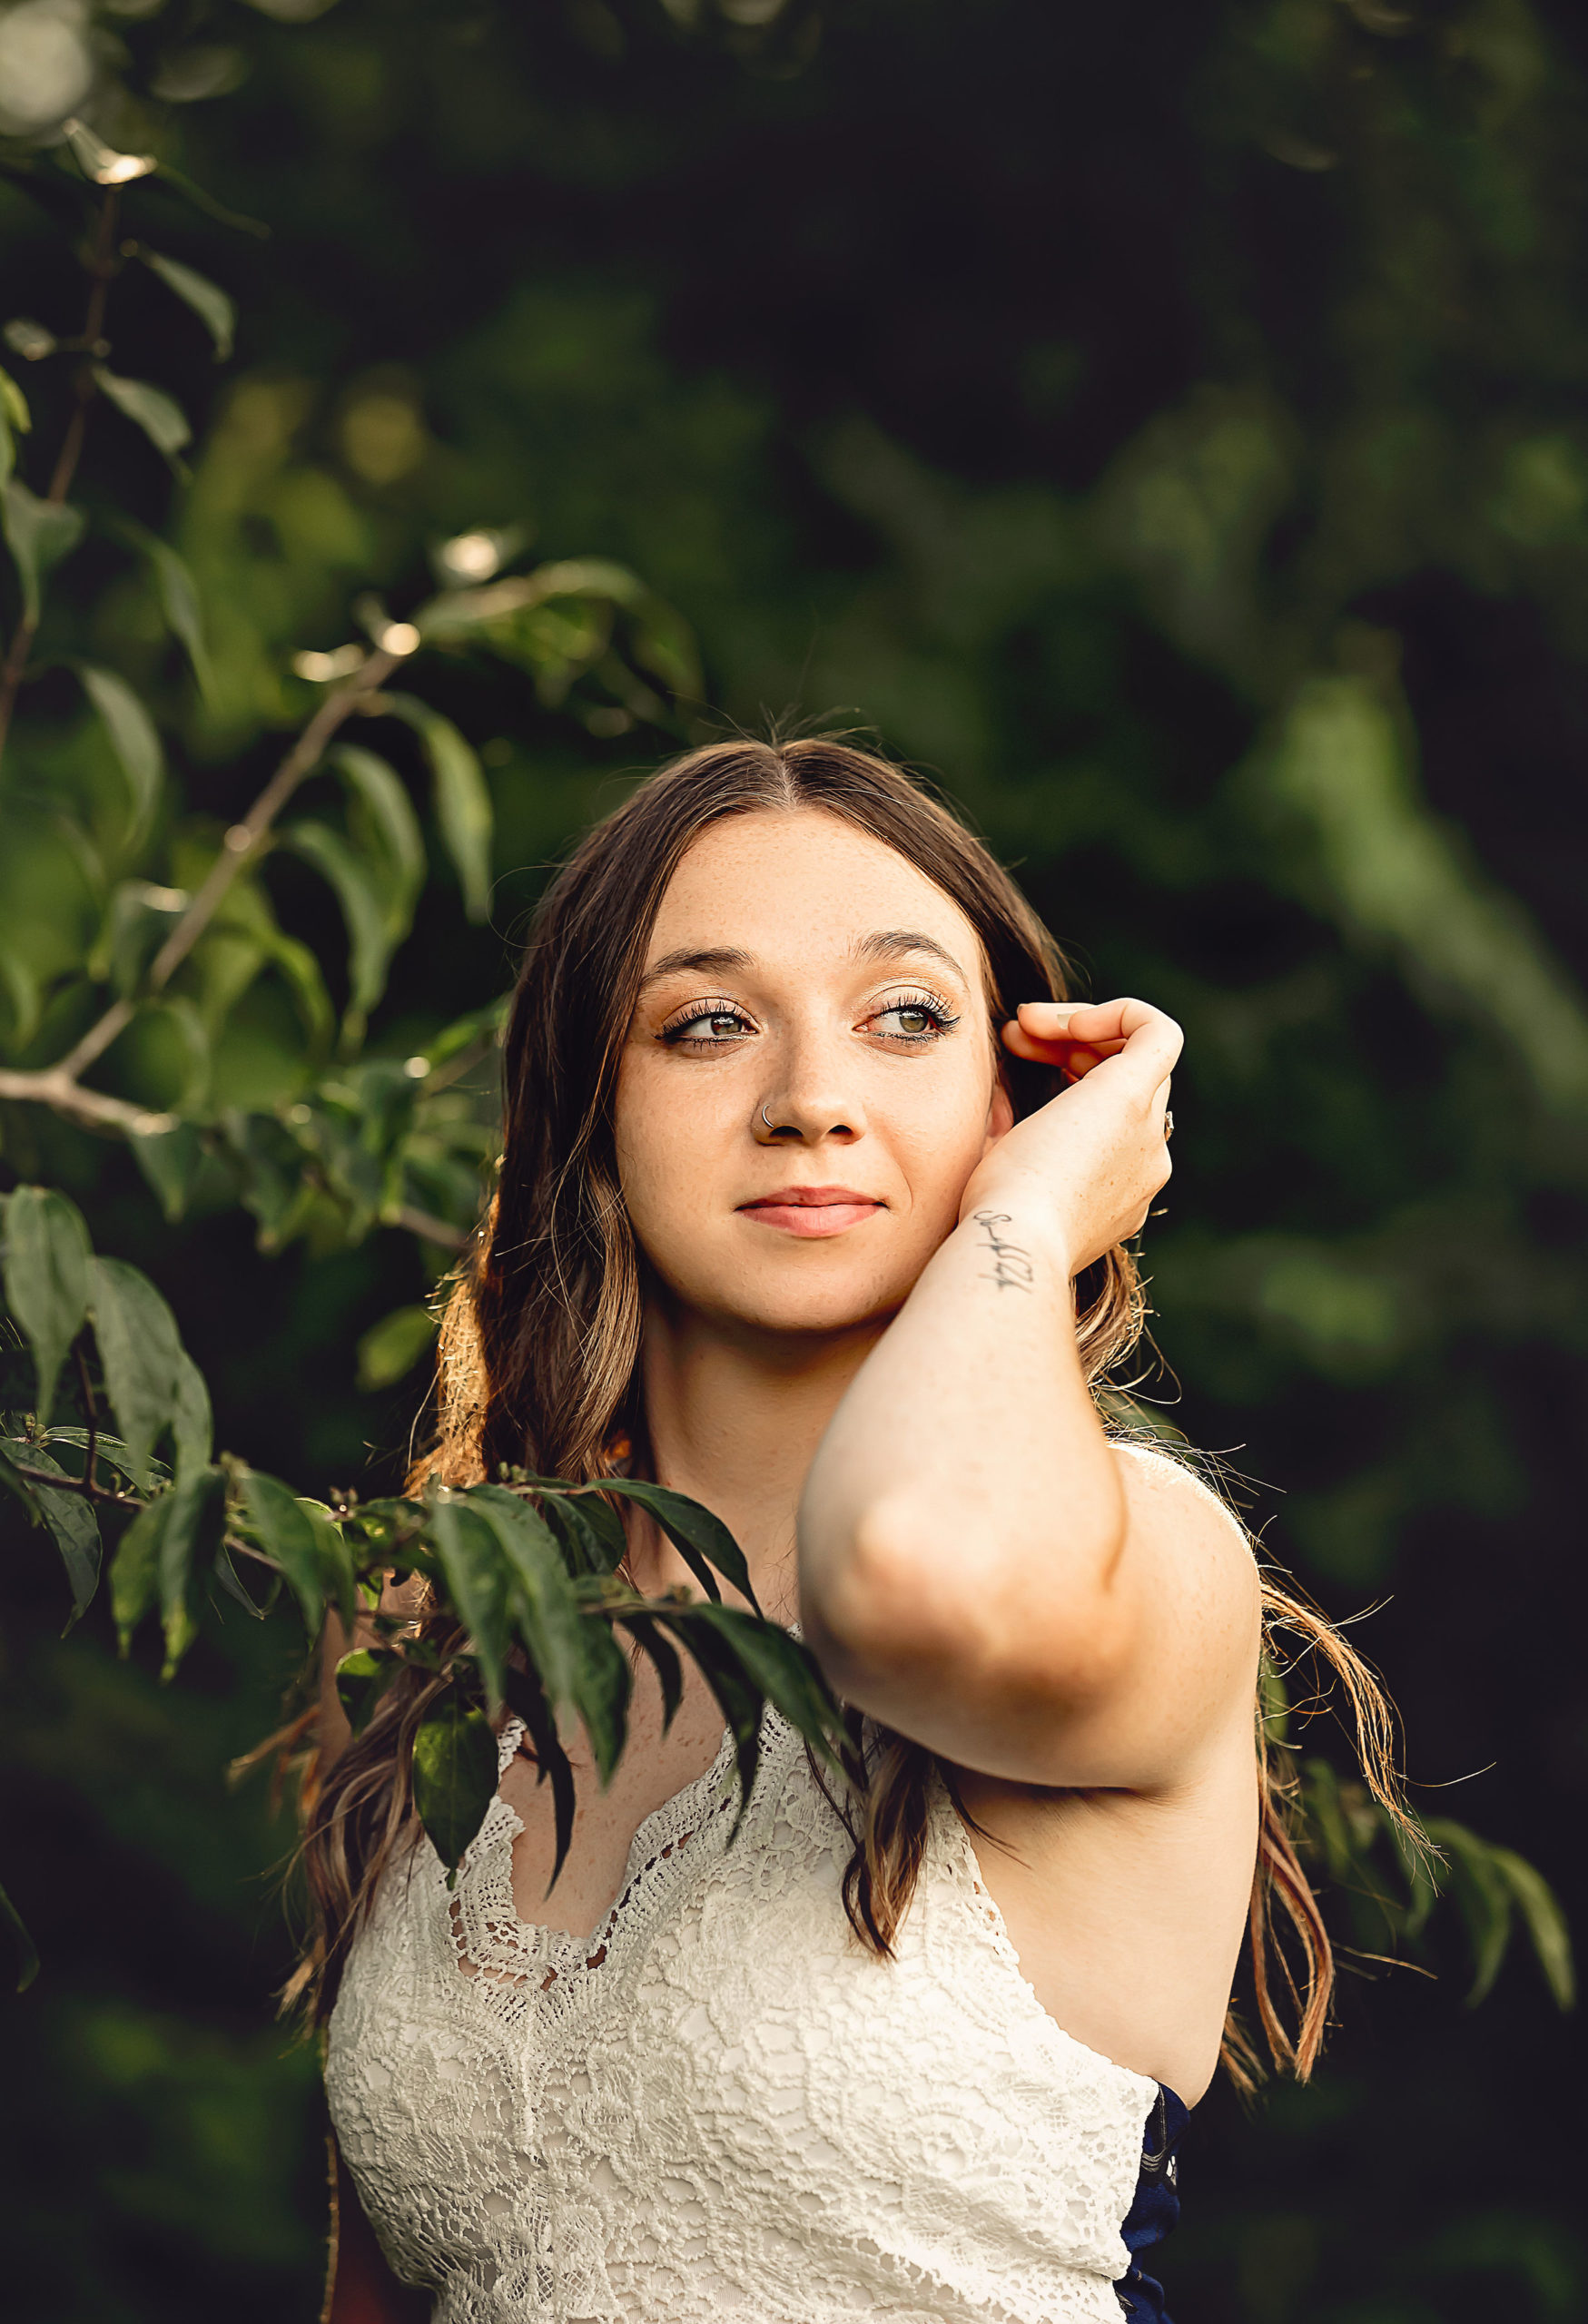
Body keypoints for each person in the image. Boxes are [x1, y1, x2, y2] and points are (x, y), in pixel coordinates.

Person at [303, 736, 1406, 2323]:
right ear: (587, 1107)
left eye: (905, 1020)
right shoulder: (431, 1622)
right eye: (705, 1025)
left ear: (1014, 1100)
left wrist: (1024, 1218)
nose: (810, 1101)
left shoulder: (1149, 1566)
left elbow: (905, 1577)